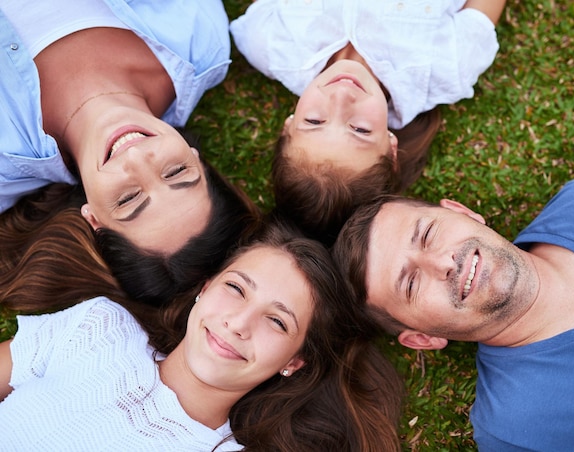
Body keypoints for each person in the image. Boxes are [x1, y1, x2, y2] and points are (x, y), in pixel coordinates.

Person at [0, 219, 404, 451]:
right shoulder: (99, 327)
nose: (239, 323)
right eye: (236, 289)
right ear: (204, 288)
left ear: (294, 362)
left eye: (277, 321)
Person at [332, 172, 574, 450]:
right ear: (422, 338)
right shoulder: (519, 431)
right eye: (410, 284)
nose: (442, 263)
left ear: (462, 211)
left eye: (429, 234)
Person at [0, 1, 258, 304]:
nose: (136, 157)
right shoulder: (199, 43)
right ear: (195, 157)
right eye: (176, 171)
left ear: (94, 220)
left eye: (128, 199)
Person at [230, 0, 506, 244]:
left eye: (314, 121)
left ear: (288, 126)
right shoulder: (448, 66)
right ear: (391, 146)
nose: (340, 98)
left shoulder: (268, 43)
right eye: (360, 129)